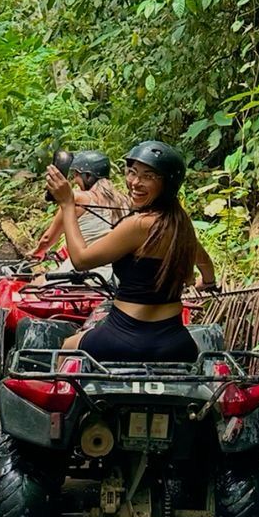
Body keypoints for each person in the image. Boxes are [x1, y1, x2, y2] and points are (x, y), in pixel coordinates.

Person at [45, 140, 217, 363]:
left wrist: (67, 203)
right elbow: (204, 262)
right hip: (176, 343)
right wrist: (208, 282)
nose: (135, 182)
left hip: (123, 336)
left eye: (148, 176)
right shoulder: (180, 224)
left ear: (167, 184)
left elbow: (80, 260)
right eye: (132, 172)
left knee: (68, 347)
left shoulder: (139, 225)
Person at [30, 151, 130, 278]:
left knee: (32, 286)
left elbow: (48, 239)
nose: (74, 180)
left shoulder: (75, 199)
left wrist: (37, 253)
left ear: (88, 176)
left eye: (77, 175)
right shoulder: (124, 200)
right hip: (116, 274)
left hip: (86, 271)